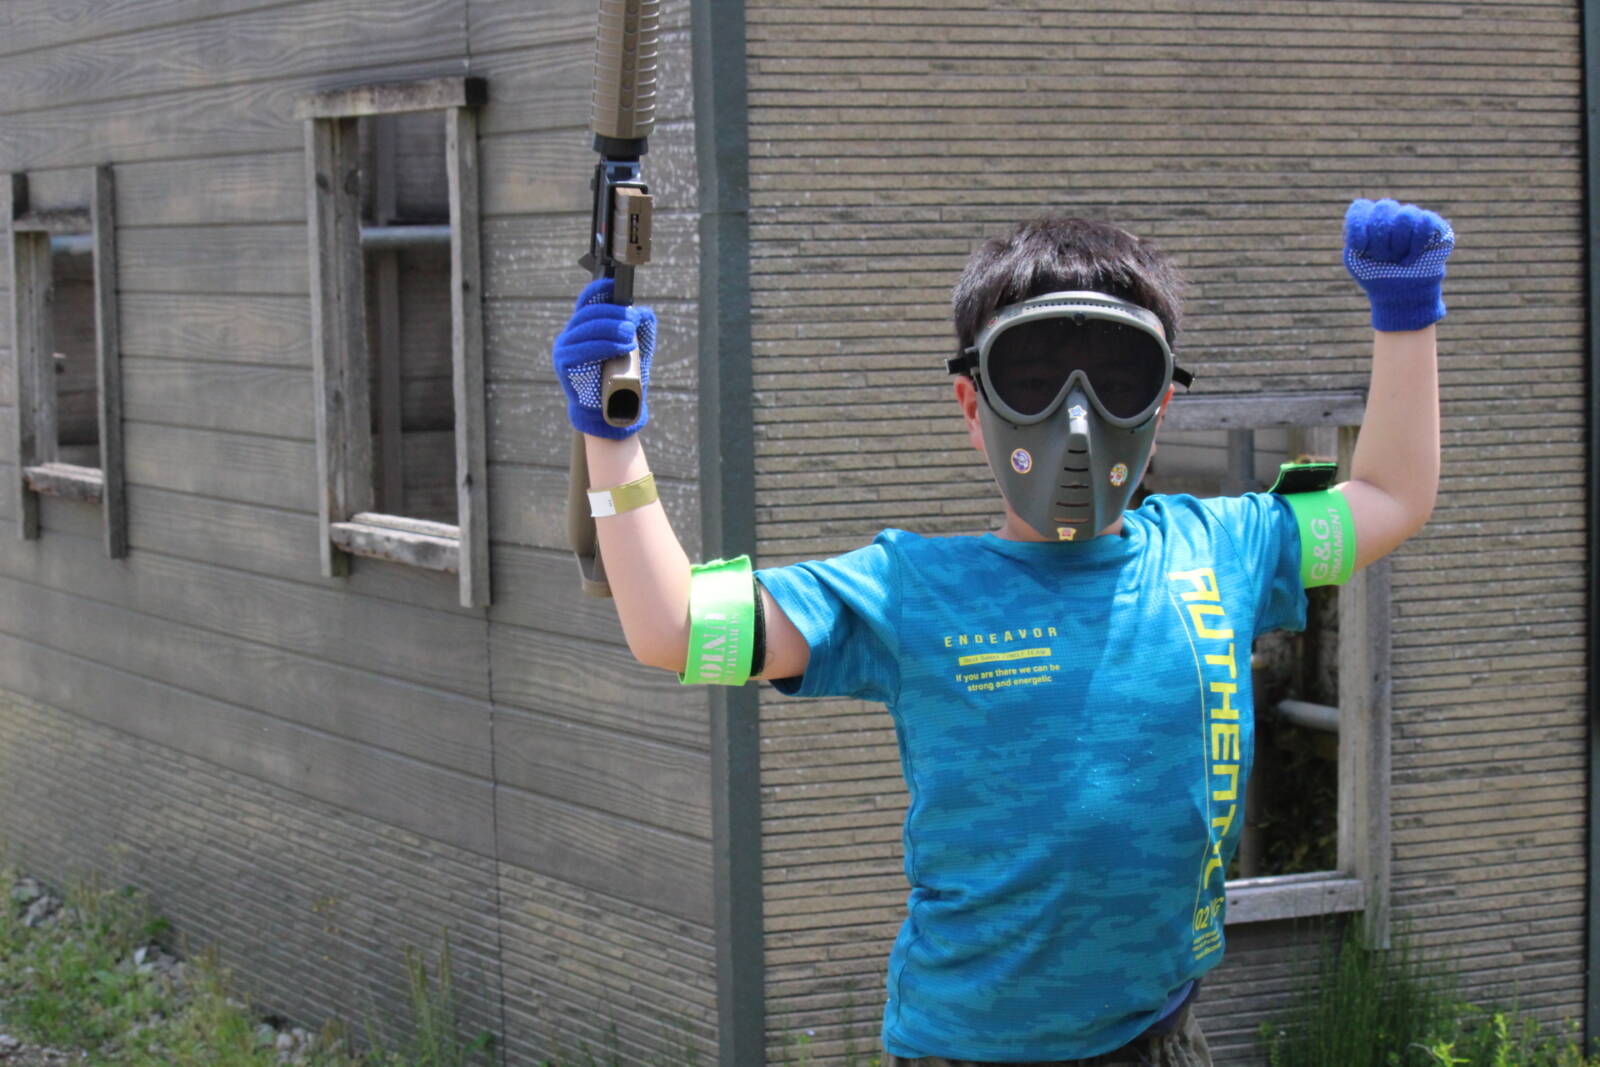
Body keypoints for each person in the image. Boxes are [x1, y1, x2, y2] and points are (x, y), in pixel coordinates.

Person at [553, 198, 1453, 1066]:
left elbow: (1390, 495)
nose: (1076, 418)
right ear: (970, 402)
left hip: (1160, 1032)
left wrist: (1406, 315)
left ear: (1161, 405)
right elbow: (674, 625)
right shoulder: (912, 590)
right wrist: (611, 431)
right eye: (1034, 379)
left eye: (1116, 380)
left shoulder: (1224, 550)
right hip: (969, 1049)